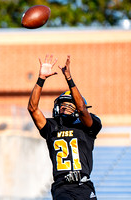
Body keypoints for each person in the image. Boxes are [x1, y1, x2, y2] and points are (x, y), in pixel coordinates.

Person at [28, 55, 102, 200]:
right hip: (62, 187)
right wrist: (41, 78)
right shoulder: (52, 126)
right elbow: (33, 108)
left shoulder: (88, 126)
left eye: (69, 105)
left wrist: (69, 78)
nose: (64, 108)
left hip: (84, 184)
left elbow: (81, 109)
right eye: (62, 105)